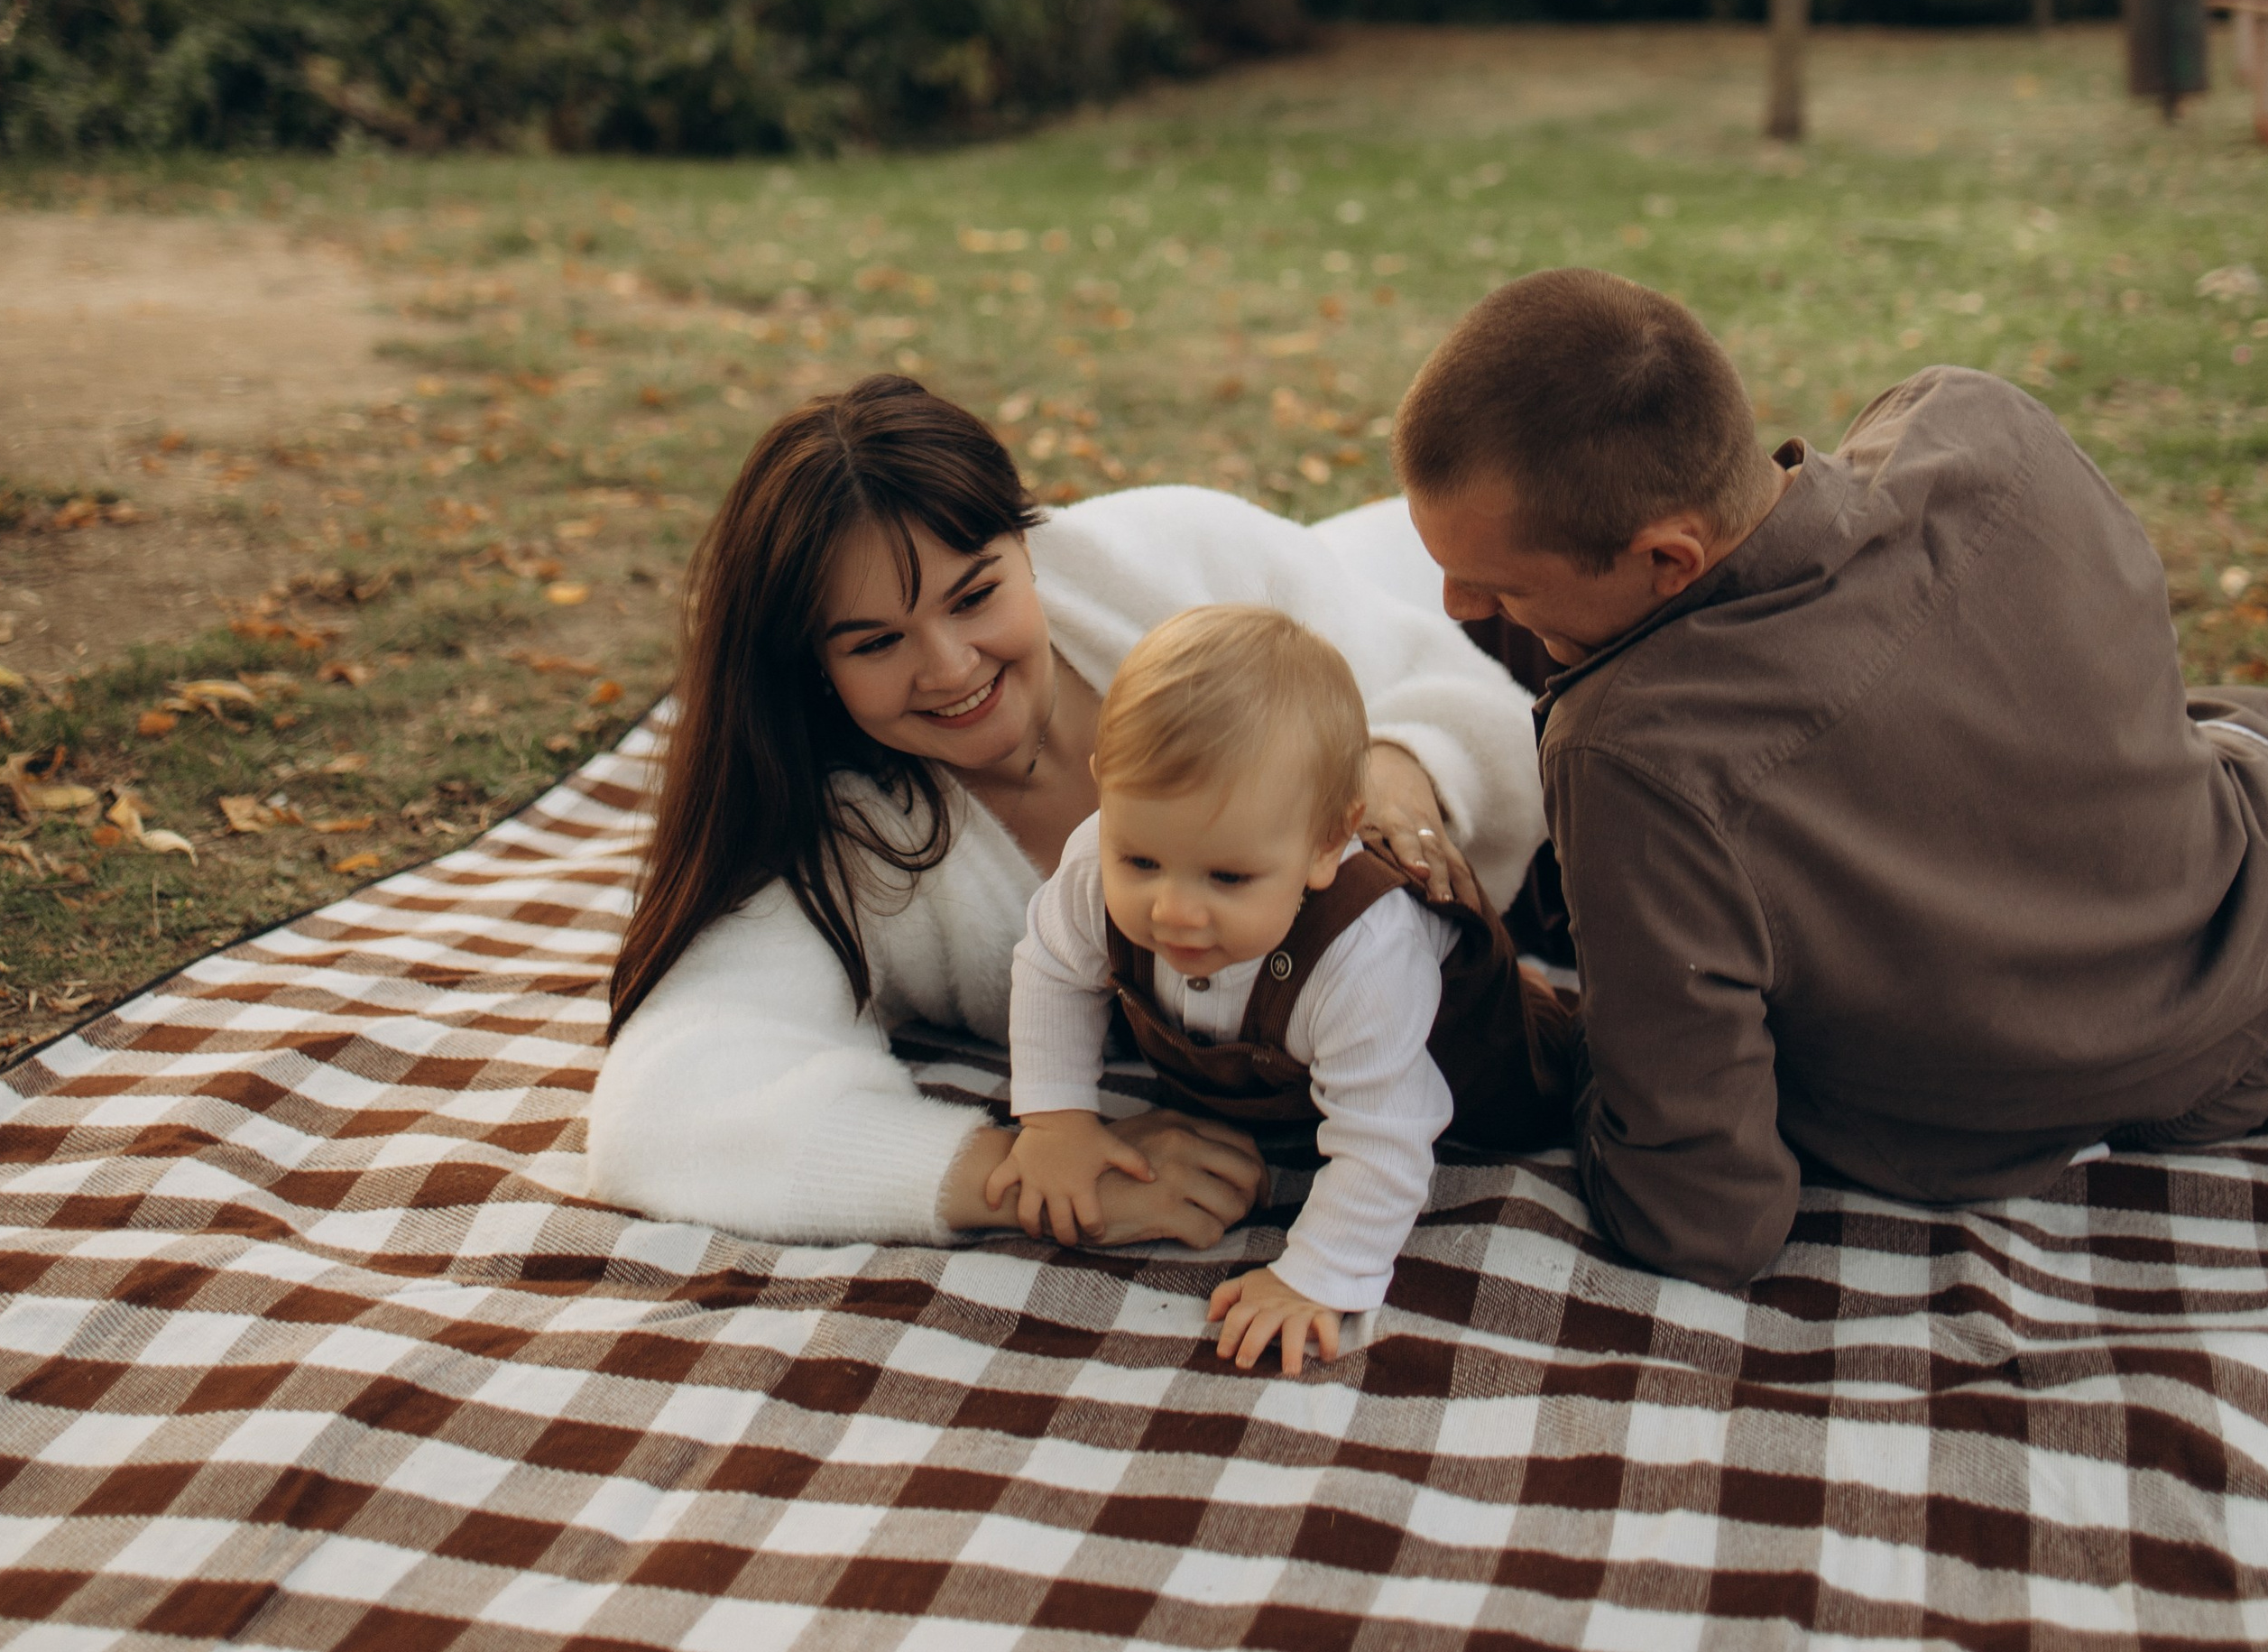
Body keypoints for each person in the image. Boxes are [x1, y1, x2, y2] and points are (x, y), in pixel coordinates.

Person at [1395, 266, 2268, 1293]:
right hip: (2245, 988)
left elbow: (1701, 1214)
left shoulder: (1632, 756)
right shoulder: (1983, 425)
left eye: (1501, 587)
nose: (1459, 606)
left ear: (1669, 560)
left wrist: (1580, 1037)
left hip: (1975, 1133)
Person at [586, 374, 1547, 1251]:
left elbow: (1489, 710)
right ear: (813, 667)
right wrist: (1019, 1176)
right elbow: (665, 1104)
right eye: (876, 643)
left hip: (1455, 589)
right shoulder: (846, 843)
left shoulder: (1180, 557)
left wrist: (1396, 770)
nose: (950, 668)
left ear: (1028, 545)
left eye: (976, 596)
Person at [1001, 605, 1572, 1373]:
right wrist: (1056, 1120)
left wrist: (1317, 1273)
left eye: (1228, 877)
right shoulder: (1091, 869)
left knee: (1559, 1079)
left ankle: (1538, 1000)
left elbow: (1386, 1134)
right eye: (1141, 863)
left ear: (1327, 844)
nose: (1174, 911)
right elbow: (1051, 972)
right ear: (1106, 794)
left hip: (1474, 1056)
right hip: (1296, 1073)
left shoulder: (1363, 954)